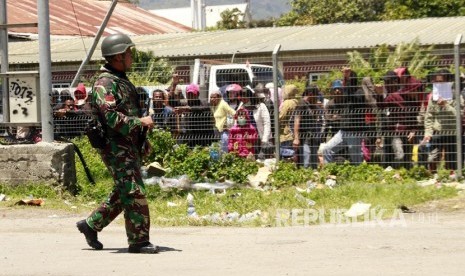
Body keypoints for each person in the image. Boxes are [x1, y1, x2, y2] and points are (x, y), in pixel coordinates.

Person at [76, 33, 158, 254]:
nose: (132, 56)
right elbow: (111, 118)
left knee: (125, 190)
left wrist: (141, 138)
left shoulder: (120, 79)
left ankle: (91, 225)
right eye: (129, 52)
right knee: (133, 191)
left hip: (126, 145)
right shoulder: (105, 83)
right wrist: (140, 122)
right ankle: (139, 241)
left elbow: (126, 113)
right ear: (118, 56)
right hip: (114, 146)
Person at [419, 68, 460, 173]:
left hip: (452, 132)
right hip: (437, 132)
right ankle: (434, 178)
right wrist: (428, 133)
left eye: (441, 81)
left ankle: (451, 179)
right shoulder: (433, 97)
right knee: (432, 158)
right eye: (436, 81)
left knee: (451, 162)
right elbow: (429, 116)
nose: (438, 83)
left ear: (447, 81)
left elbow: (458, 115)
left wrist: (445, 105)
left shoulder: (455, 96)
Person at [293, 85, 325, 169]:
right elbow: (296, 121)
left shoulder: (312, 104)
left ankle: (314, 177)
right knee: (306, 161)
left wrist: (318, 108)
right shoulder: (301, 104)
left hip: (313, 137)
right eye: (316, 95)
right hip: (304, 137)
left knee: (314, 162)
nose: (317, 98)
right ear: (310, 94)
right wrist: (296, 138)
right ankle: (305, 177)